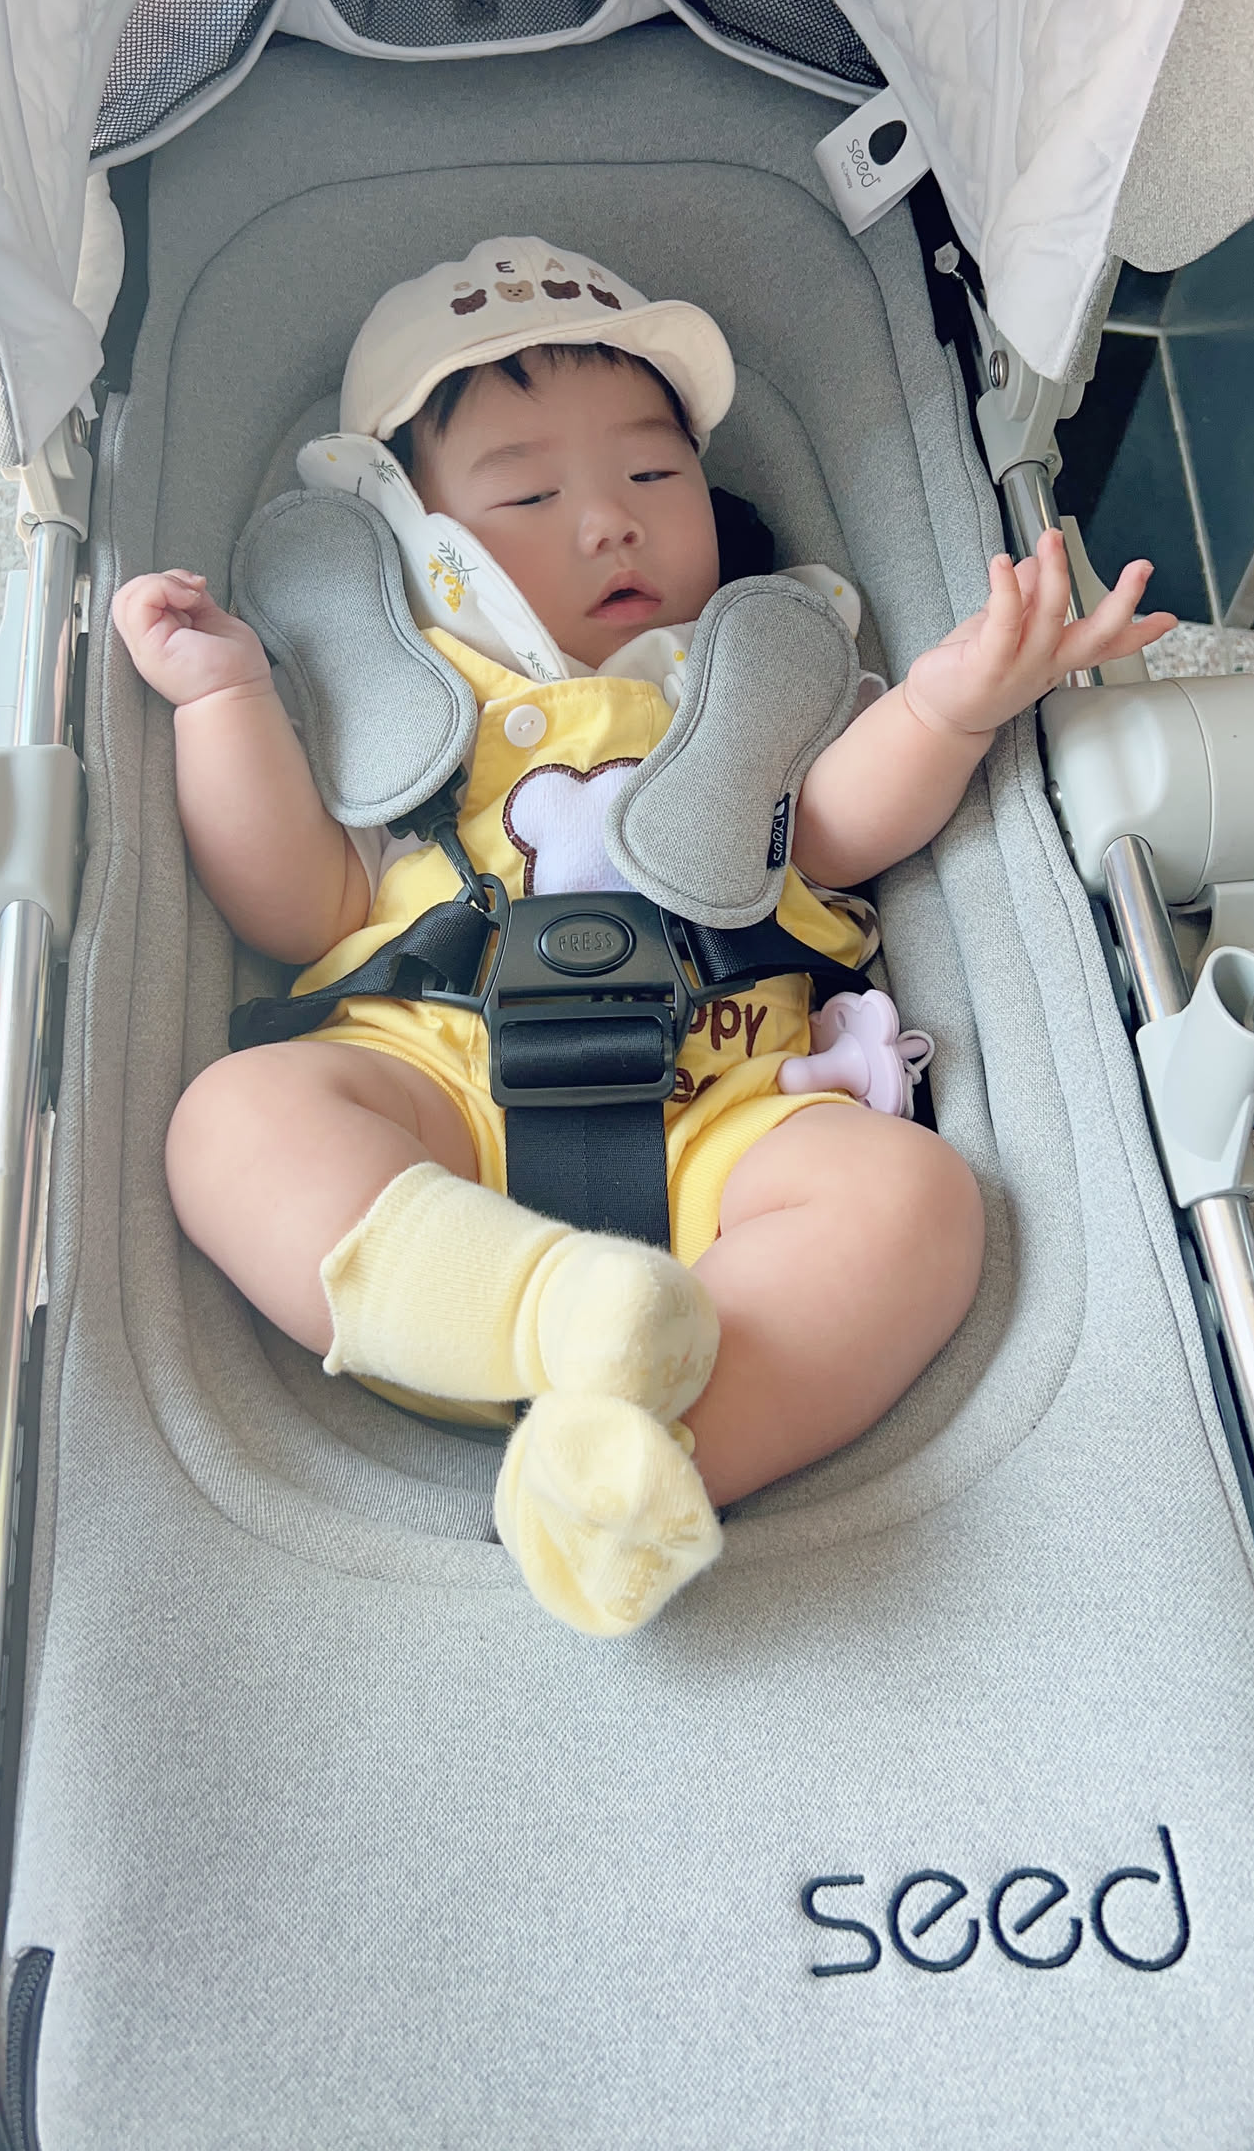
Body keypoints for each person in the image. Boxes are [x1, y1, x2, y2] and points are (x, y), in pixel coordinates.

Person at [112, 236, 1174, 1637]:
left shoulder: (746, 679)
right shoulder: (407, 703)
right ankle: (533, 1317)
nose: (611, 522)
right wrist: (224, 704)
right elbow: (298, 908)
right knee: (234, 1120)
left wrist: (948, 708)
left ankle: (633, 1468)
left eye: (655, 478)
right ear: (419, 539)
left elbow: (837, 832)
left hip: (729, 1114)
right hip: (439, 1105)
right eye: (528, 493)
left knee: (916, 1205)